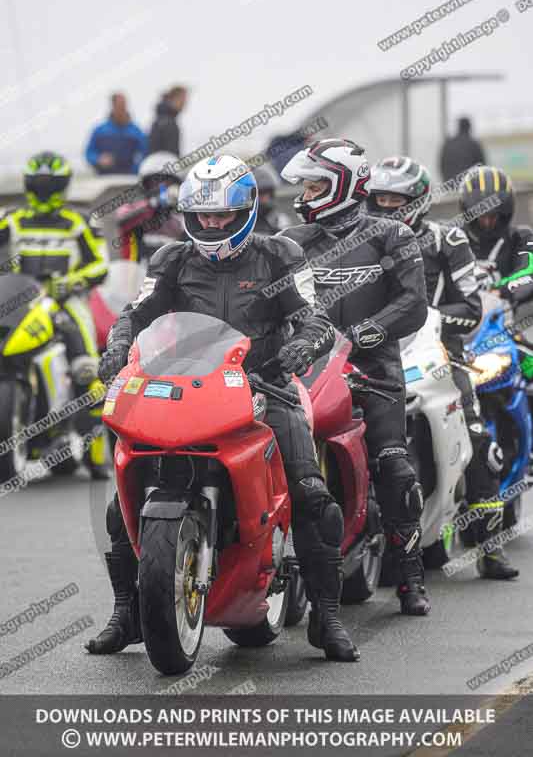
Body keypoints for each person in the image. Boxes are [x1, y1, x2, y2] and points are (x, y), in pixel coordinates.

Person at [86, 154, 359, 663]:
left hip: (265, 386)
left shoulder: (280, 254)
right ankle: (127, 614)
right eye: (203, 216)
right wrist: (117, 348)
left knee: (310, 492)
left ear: (246, 211)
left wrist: (301, 347)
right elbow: (136, 313)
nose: (211, 225)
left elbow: (313, 316)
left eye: (223, 216)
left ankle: (328, 616)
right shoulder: (170, 259)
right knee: (122, 496)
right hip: (186, 387)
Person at [280, 138, 431, 616]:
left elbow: (414, 303)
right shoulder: (290, 242)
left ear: (342, 185)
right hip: (304, 370)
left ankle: (409, 578)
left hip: (373, 371)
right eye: (303, 185)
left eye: (313, 184)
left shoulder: (392, 235)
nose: (303, 194)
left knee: (395, 466)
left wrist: (371, 330)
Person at [368, 156, 519, 580]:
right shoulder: (361, 242)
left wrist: (426, 316)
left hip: (437, 350)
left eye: (396, 199)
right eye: (379, 199)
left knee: (478, 435)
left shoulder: (446, 238)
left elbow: (471, 307)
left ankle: (490, 549)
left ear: (417, 200)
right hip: (373, 354)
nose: (386, 207)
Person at [0, 151, 109, 479]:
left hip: (66, 300)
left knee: (85, 366)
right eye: (39, 185)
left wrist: (74, 281)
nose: (45, 191)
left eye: (51, 185)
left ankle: (95, 448)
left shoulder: (79, 222)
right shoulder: (11, 219)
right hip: (20, 299)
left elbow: (101, 262)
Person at [115, 151, 185, 263]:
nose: (160, 186)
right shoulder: (133, 208)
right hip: (137, 273)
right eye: (155, 181)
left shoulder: (184, 213)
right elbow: (121, 221)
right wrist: (153, 205)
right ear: (145, 185)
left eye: (166, 182)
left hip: (173, 272)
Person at [85, 93, 147, 175]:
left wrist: (136, 167)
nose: (122, 108)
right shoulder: (100, 131)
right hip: (104, 177)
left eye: (123, 105)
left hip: (129, 177)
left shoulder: (136, 131)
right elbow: (89, 152)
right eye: (119, 105)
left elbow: (145, 152)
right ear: (113, 106)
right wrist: (98, 159)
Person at [439, 117, 486, 182]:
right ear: (469, 127)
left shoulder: (448, 144)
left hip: (449, 185)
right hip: (468, 186)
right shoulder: (474, 144)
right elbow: (482, 166)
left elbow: (441, 165)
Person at [148, 86, 187, 157]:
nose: (184, 103)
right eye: (182, 99)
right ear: (174, 98)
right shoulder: (167, 122)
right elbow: (170, 155)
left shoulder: (163, 119)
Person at [253, 165, 292, 236]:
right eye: (259, 192)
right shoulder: (242, 221)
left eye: (266, 192)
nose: (263, 197)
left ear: (271, 193)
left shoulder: (278, 220)